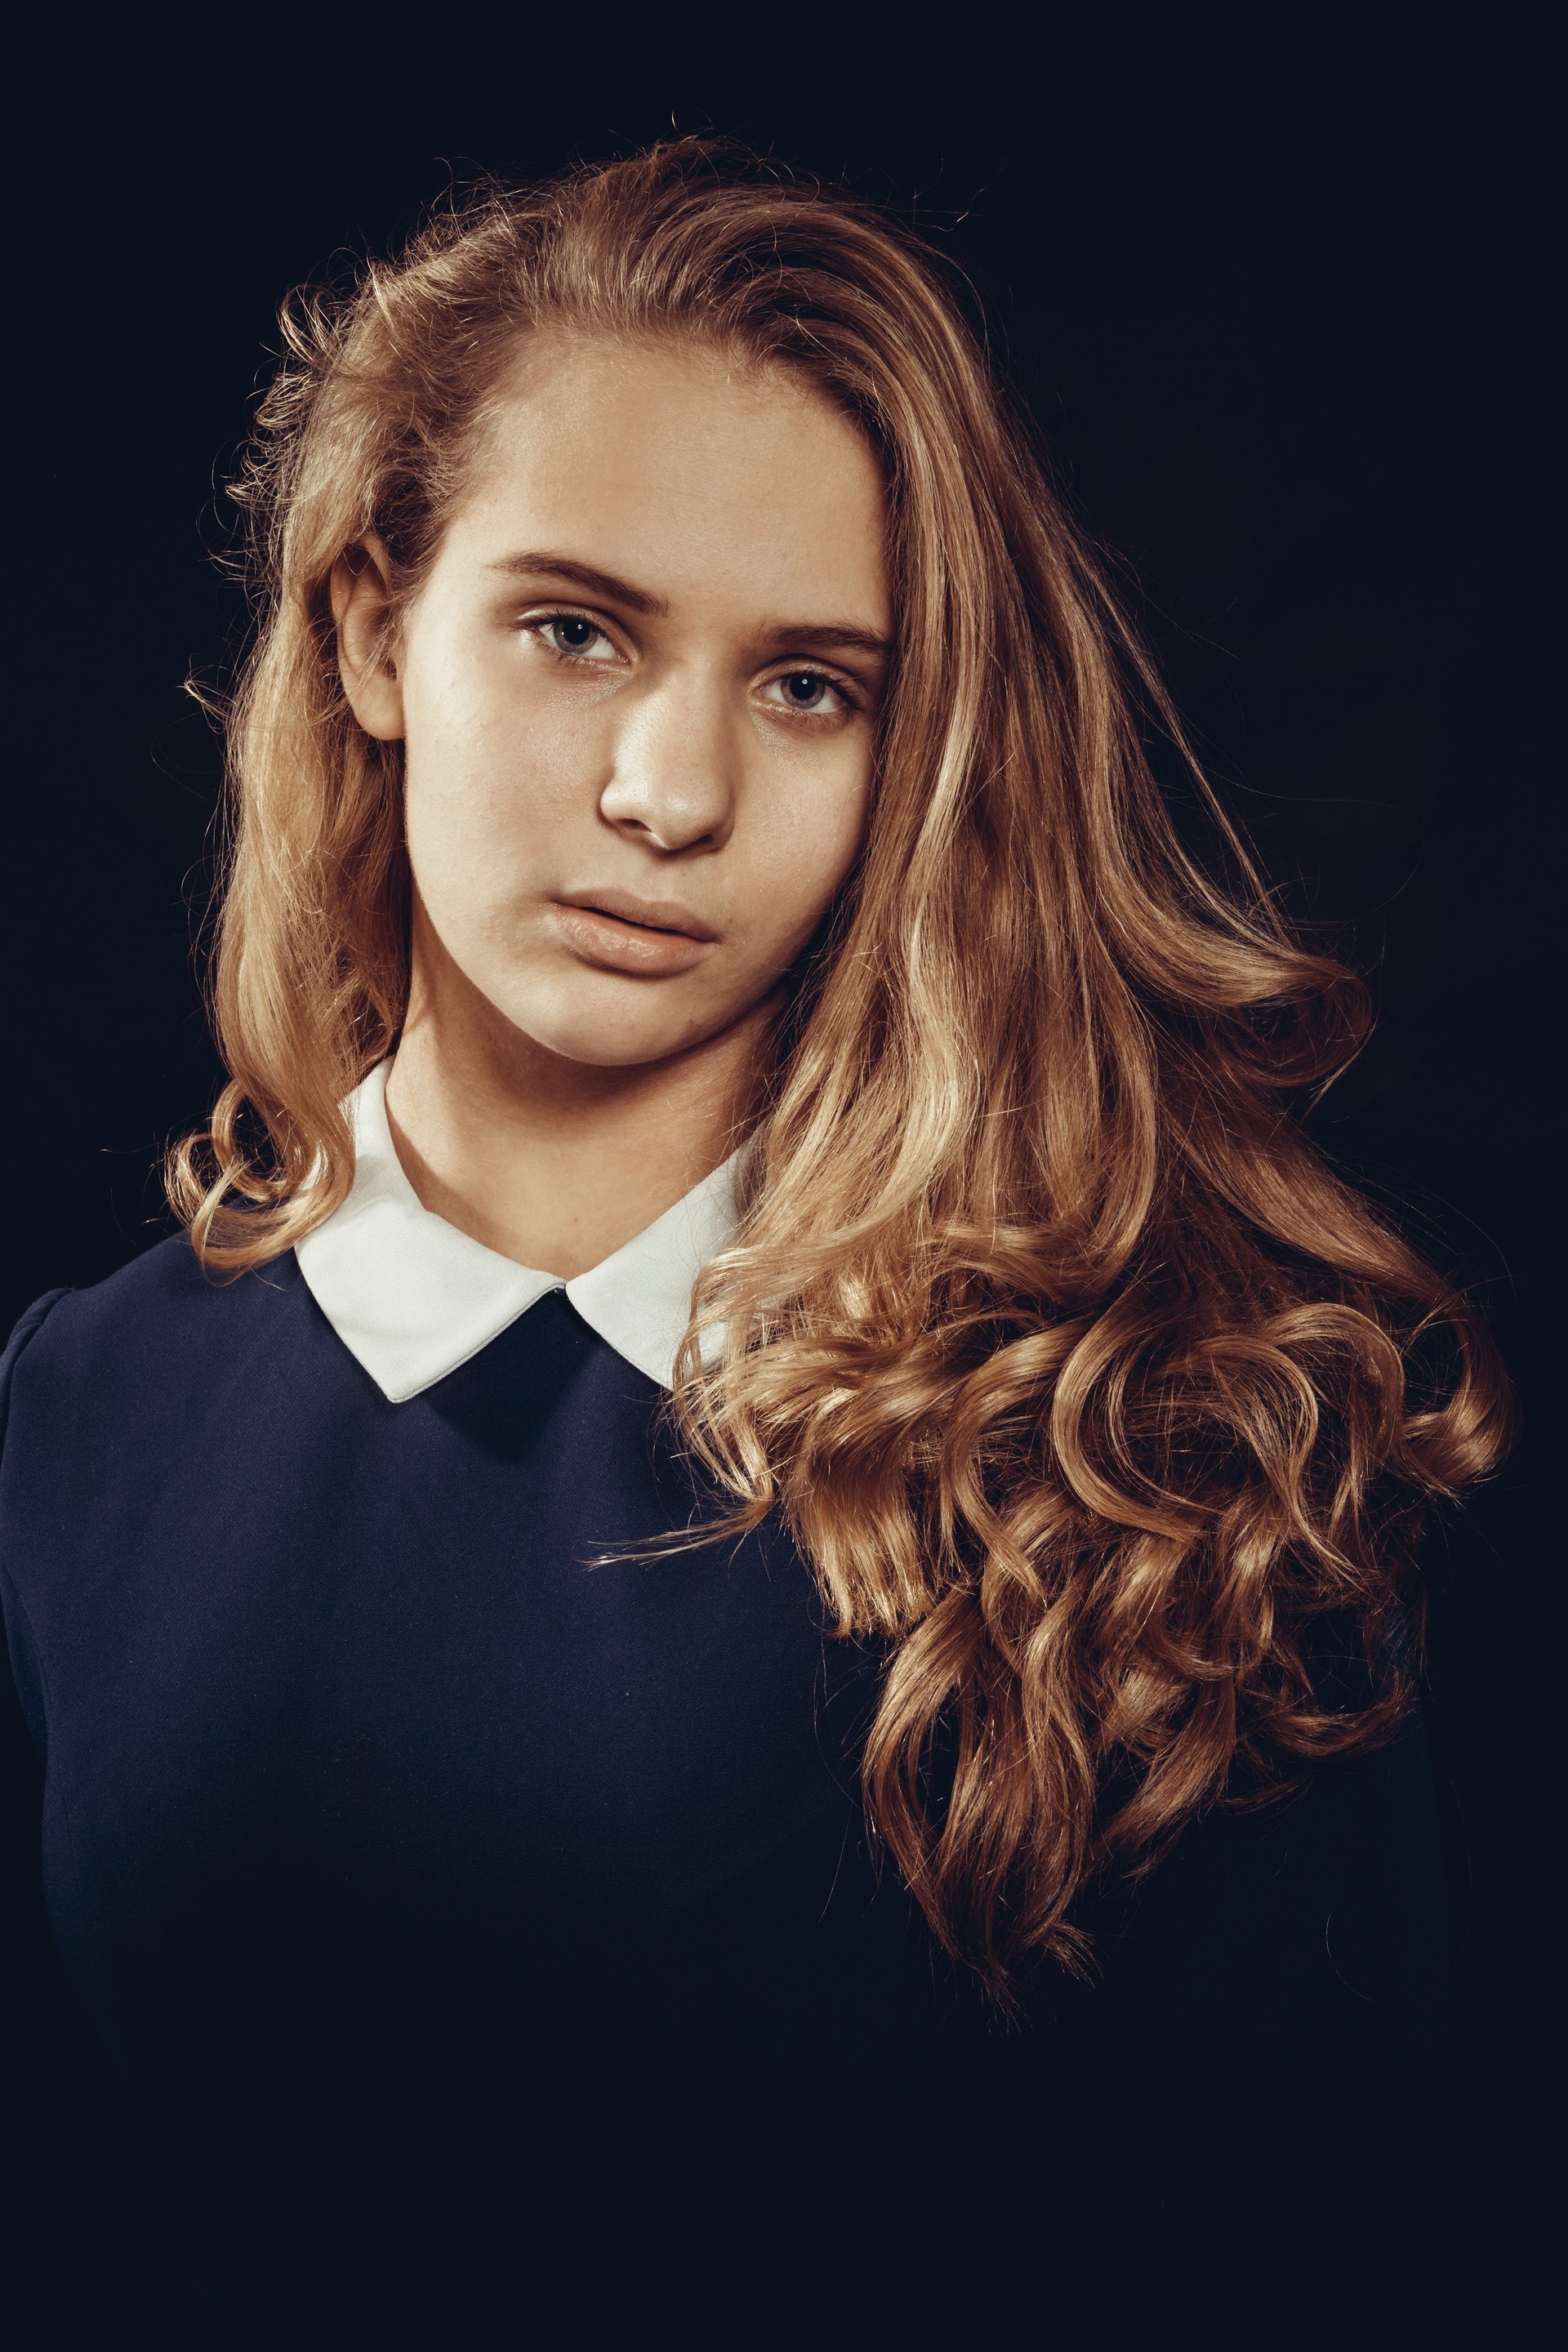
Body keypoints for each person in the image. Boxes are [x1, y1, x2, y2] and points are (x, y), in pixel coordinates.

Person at [0, 140, 1508, 2341]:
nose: (671, 794)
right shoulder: (79, 1412)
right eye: (575, 632)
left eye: (811, 684)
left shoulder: (1167, 1448)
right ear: (372, 630)